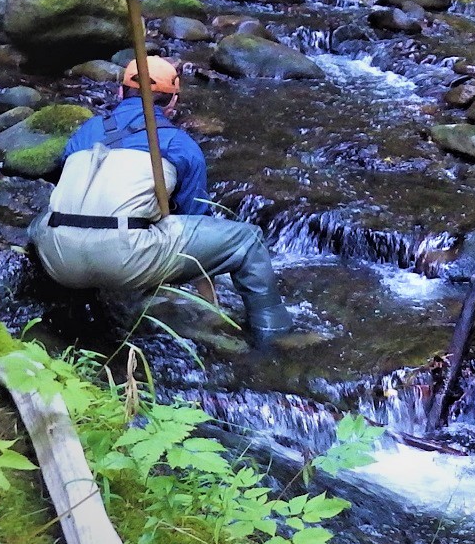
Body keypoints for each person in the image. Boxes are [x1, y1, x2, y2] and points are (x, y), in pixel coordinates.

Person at [27, 57, 294, 348]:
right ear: (172, 103)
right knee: (248, 240)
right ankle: (275, 336)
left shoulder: (85, 131)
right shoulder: (178, 144)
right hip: (123, 258)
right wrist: (209, 306)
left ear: (119, 94)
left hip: (57, 256)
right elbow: (196, 219)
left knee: (43, 219)